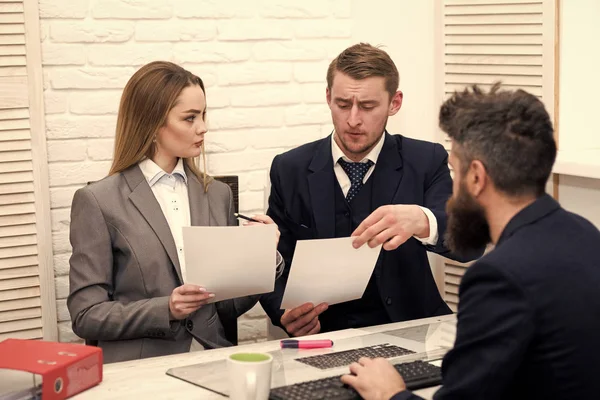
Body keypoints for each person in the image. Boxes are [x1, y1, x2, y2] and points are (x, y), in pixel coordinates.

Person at [342, 83, 600, 399]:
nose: (450, 197)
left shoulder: (499, 276)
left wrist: (391, 393)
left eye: (455, 171)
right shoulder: (586, 234)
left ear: (476, 177)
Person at [259, 43, 483, 337]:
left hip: (415, 331)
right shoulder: (290, 168)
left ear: (395, 102)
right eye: (342, 104)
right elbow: (274, 262)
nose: (353, 120)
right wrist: (283, 313)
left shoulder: (426, 160)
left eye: (367, 106)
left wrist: (422, 220)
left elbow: (470, 245)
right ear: (328, 98)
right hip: (326, 339)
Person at [67, 61, 283, 363]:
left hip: (212, 361)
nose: (203, 127)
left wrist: (262, 256)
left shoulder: (217, 195)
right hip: (141, 371)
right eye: (190, 118)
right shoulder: (97, 201)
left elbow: (226, 307)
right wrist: (165, 308)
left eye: (204, 115)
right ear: (153, 123)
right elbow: (86, 315)